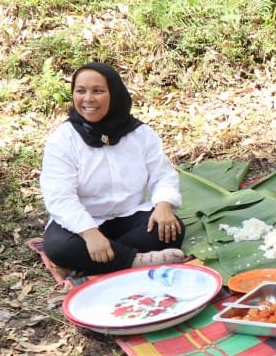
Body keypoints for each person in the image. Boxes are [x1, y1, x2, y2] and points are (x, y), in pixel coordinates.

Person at [40, 62, 186, 275]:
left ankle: (102, 260)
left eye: (98, 91)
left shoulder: (140, 134)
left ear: (114, 94)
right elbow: (60, 198)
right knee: (59, 247)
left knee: (171, 229)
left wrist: (164, 205)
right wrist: (89, 233)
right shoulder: (63, 140)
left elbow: (162, 175)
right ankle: (135, 261)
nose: (88, 99)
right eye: (80, 91)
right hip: (83, 222)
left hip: (129, 216)